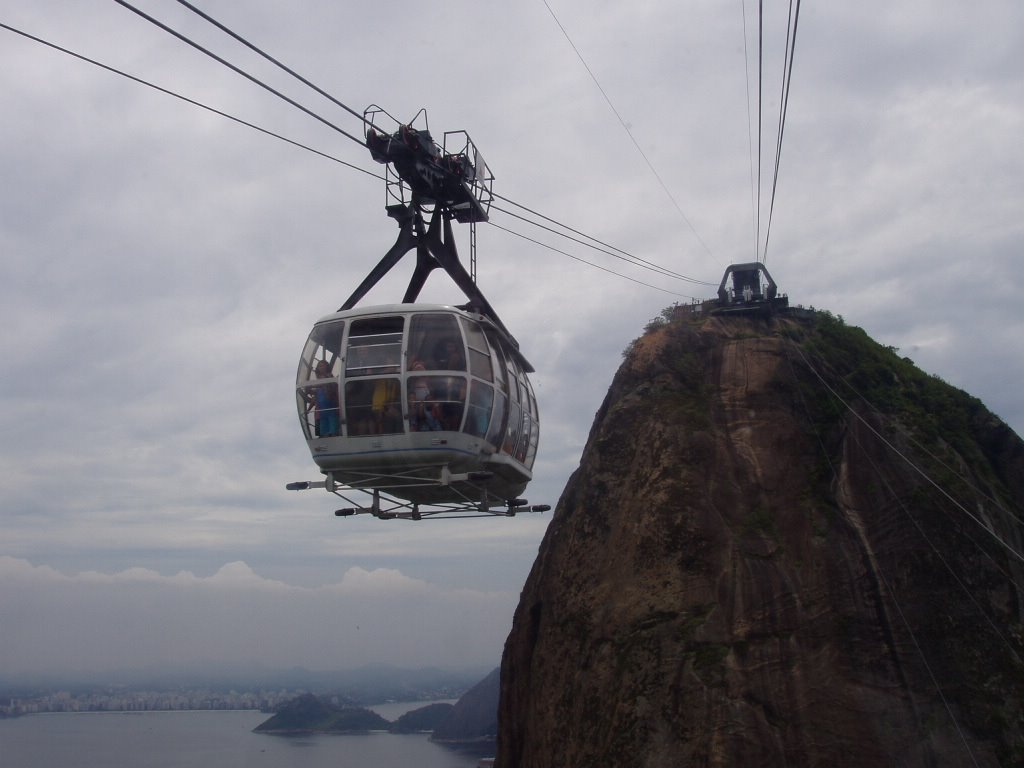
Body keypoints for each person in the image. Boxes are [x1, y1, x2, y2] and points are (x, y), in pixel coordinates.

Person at [408, 361, 442, 432]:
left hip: (427, 405)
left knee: (428, 413)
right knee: (414, 413)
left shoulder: (427, 380)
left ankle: (435, 427)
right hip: (416, 405)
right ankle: (414, 425)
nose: (418, 368)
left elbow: (432, 395)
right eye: (416, 367)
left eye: (420, 367)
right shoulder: (412, 381)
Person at [312, 360, 339, 437]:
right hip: (322, 408)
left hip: (330, 406)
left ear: (327, 367)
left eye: (322, 365)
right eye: (319, 366)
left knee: (332, 424)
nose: (321, 367)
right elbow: (316, 395)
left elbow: (331, 388)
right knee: (323, 427)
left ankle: (333, 434)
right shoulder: (318, 380)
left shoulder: (329, 376)